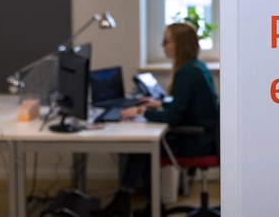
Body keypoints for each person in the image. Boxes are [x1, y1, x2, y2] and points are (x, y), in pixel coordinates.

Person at [91, 22, 219, 217]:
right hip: (208, 137)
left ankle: (129, 200)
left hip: (199, 142)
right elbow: (183, 106)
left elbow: (174, 118)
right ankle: (141, 203)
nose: (162, 46)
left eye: (166, 41)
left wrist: (141, 112)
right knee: (144, 146)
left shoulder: (187, 72)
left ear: (179, 44)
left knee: (143, 147)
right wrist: (159, 104)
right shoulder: (196, 66)